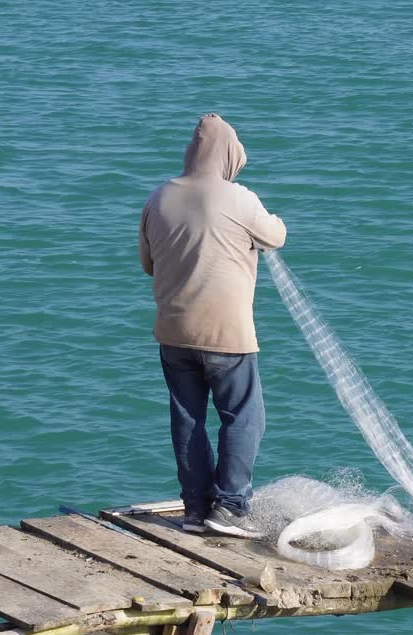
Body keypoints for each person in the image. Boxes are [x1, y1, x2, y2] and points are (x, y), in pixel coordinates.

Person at [139, 113, 286, 538]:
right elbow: (275, 235)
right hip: (227, 334)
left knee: (187, 419)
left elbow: (148, 264)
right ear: (229, 155)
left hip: (173, 332)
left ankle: (195, 509)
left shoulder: (159, 197)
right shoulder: (238, 198)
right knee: (244, 417)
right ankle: (231, 507)